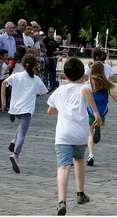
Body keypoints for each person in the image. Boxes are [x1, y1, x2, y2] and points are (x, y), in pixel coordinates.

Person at [47, 57, 101, 215]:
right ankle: (80, 193)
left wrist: (60, 106)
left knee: (63, 167)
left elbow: (50, 112)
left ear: (65, 76)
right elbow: (84, 90)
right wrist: (96, 112)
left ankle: (61, 201)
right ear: (83, 76)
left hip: (63, 135)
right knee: (79, 160)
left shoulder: (60, 90)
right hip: (80, 134)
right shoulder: (84, 89)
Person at [1, 54, 48, 173]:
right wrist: (39, 93)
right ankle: (15, 155)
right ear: (34, 66)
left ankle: (13, 139)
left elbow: (3, 83)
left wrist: (3, 98)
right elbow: (43, 92)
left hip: (14, 108)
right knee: (22, 133)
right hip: (26, 110)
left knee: (20, 127)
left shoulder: (16, 75)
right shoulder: (36, 79)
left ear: (22, 64)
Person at [85, 62, 117, 166]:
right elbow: (113, 94)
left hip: (91, 111)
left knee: (90, 134)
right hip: (102, 111)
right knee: (101, 124)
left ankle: (91, 154)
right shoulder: (106, 84)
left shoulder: (89, 83)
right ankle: (99, 128)